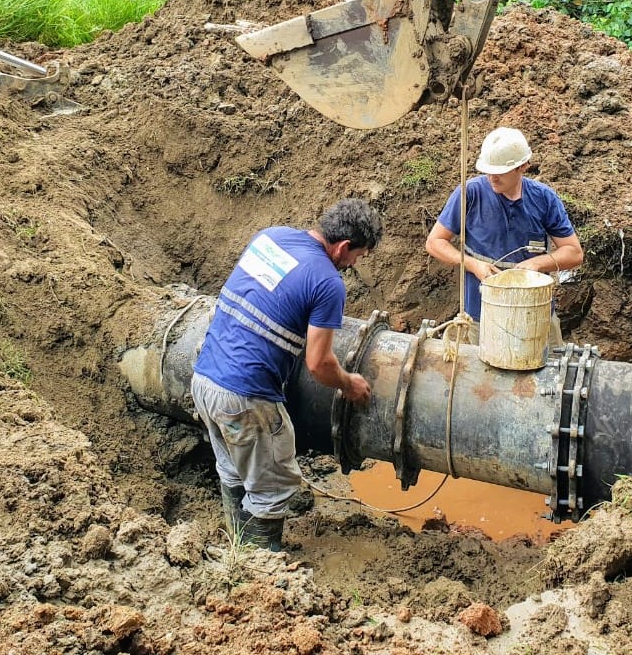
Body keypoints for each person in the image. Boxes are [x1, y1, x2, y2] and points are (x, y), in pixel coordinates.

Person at [191, 198, 382, 551]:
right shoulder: (328, 283)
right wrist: (349, 384)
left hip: (204, 379)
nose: (354, 264)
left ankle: (238, 552)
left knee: (234, 469)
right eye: (359, 256)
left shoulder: (271, 237)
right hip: (244, 397)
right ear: (343, 247)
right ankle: (263, 569)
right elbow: (319, 363)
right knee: (273, 486)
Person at [425, 126, 584, 345]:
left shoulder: (544, 198)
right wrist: (473, 265)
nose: (492, 178)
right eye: (487, 170)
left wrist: (537, 264)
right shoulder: (470, 193)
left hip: (535, 316)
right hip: (482, 316)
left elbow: (574, 253)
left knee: (547, 373)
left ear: (522, 167)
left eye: (499, 172)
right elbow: (435, 242)